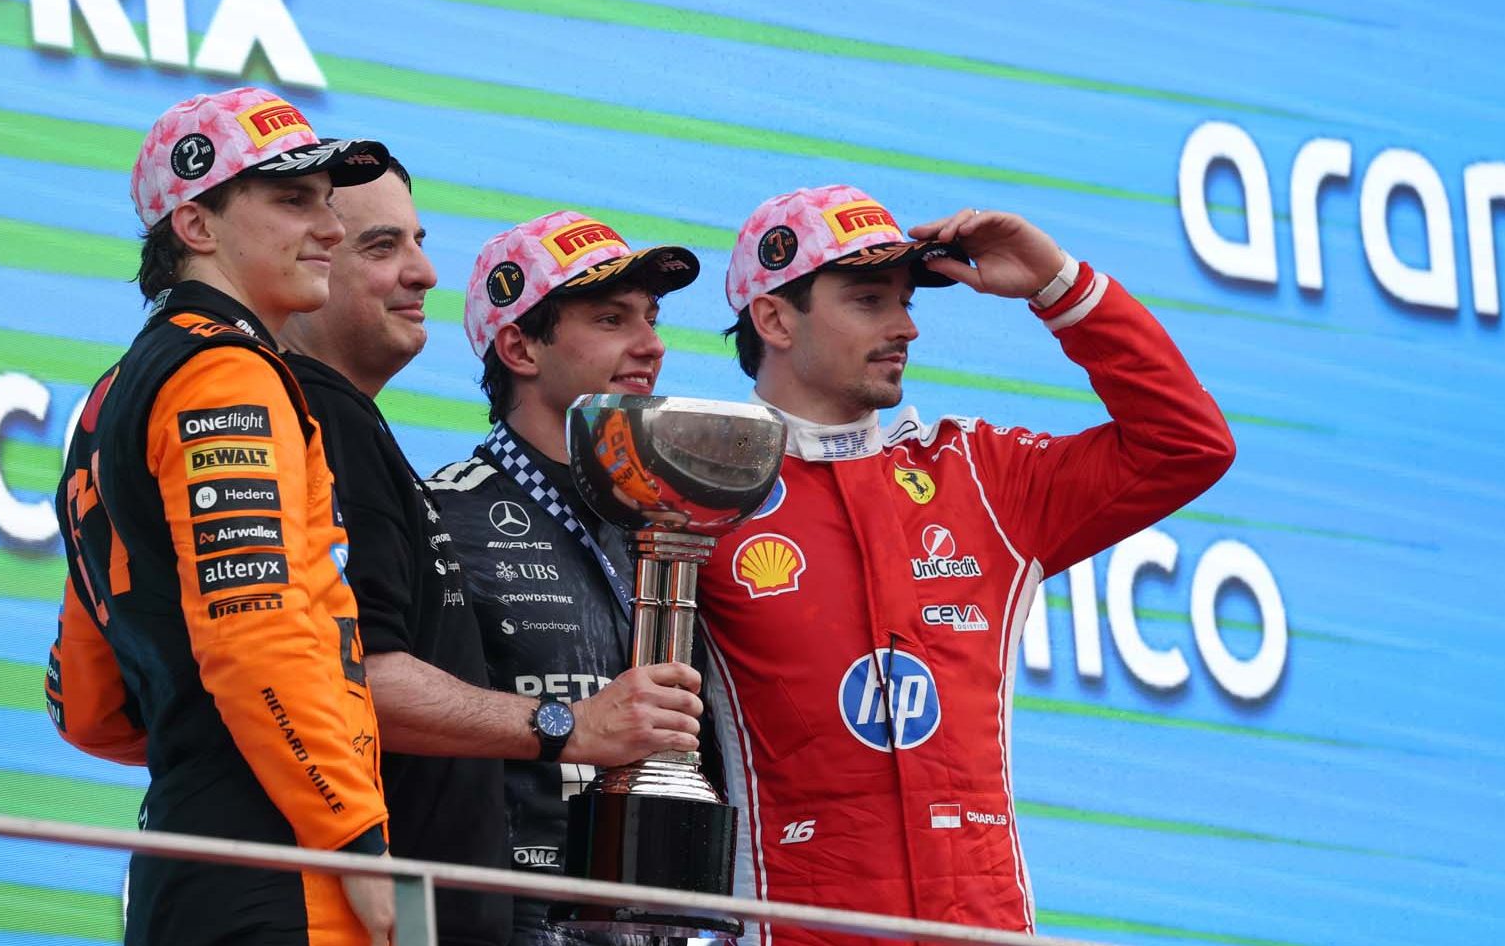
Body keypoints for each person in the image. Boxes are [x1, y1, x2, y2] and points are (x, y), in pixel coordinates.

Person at [700, 184, 1237, 943]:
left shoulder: (980, 475)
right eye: (868, 301)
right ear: (774, 318)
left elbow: (1189, 444)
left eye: (907, 302)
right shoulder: (698, 488)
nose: (905, 327)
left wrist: (1060, 286)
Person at [43, 86, 396, 946]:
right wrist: (354, 839)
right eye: (290, 200)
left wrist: (198, 735)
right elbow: (255, 632)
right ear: (196, 226)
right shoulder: (228, 374)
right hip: (288, 865)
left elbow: (86, 703)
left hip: (181, 858)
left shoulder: (110, 395)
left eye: (327, 201)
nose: (331, 229)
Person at [424, 212, 709, 946]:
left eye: (651, 318)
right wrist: (568, 727)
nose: (650, 345)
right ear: (519, 345)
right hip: (503, 919)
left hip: (660, 919)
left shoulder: (669, 522)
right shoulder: (440, 514)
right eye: (612, 319)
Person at [276, 157, 512, 946]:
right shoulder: (318, 418)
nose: (424, 272)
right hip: (370, 910)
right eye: (381, 248)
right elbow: (363, 674)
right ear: (310, 264)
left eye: (418, 240)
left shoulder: (348, 420)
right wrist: (567, 724)